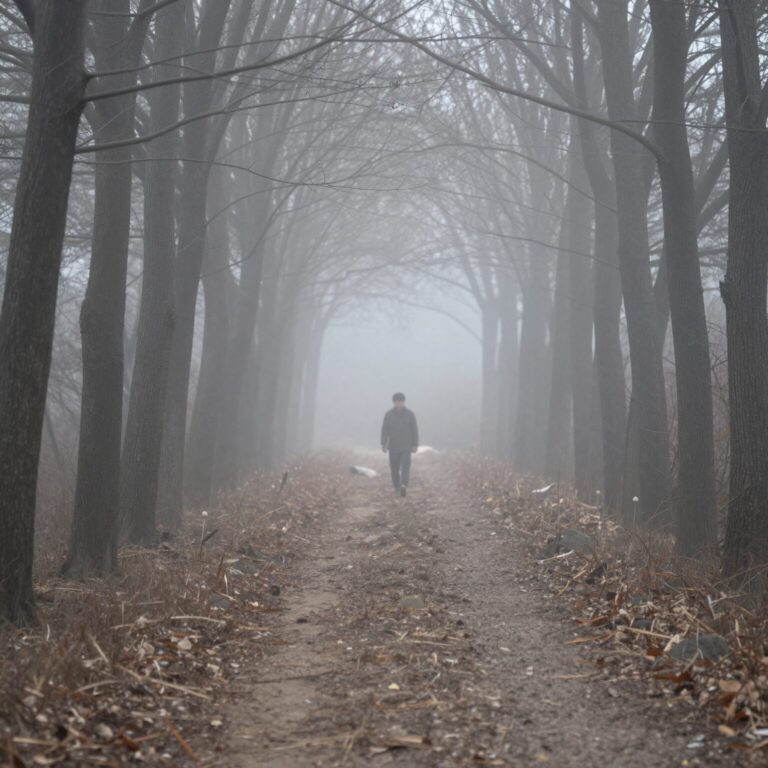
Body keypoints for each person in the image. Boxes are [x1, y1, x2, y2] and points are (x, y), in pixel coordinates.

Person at [381, 392, 419, 497]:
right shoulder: (389, 415)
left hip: (406, 446)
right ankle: (396, 487)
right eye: (397, 402)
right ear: (394, 402)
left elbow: (414, 430)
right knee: (394, 469)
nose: (399, 404)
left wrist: (415, 444)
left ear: (404, 402)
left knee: (405, 467)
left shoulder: (410, 414)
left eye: (401, 402)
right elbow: (384, 430)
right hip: (393, 447)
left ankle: (403, 485)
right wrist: (383, 443)